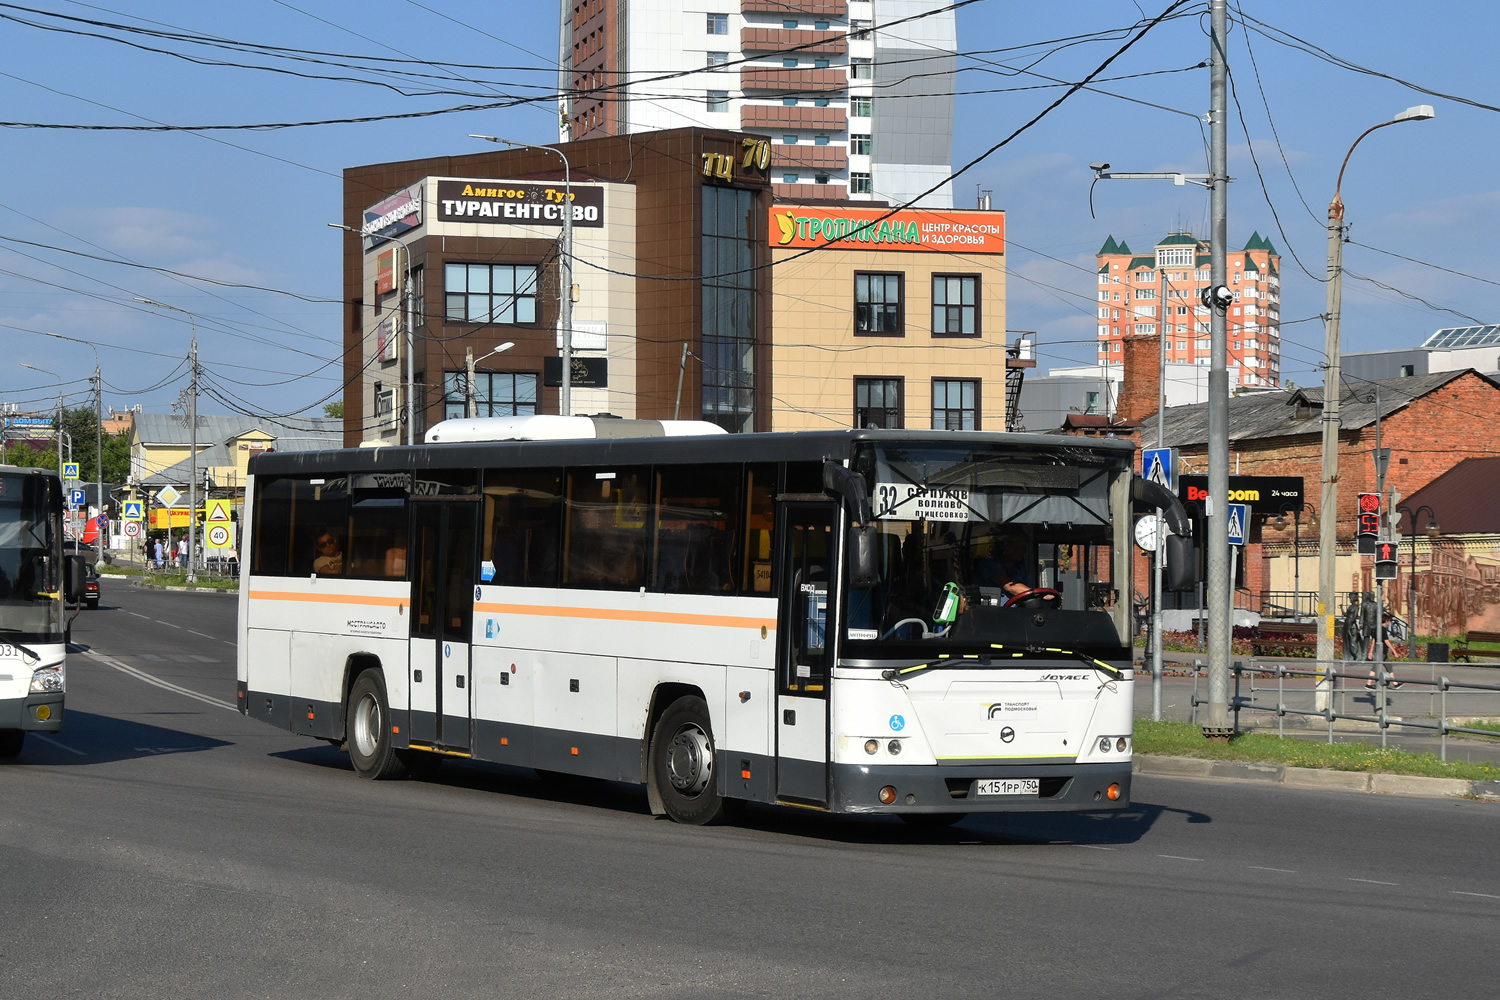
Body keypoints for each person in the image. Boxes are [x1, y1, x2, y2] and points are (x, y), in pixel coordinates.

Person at [1366, 609, 1404, 689]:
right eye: (1389, 621)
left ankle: (1395, 683)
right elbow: (1387, 642)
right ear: (1386, 621)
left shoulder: (1376, 628)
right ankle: (1368, 684)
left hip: (1383, 652)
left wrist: (1370, 652)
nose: (1389, 623)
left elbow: (1373, 641)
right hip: (1381, 651)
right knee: (1376, 667)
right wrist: (1395, 652)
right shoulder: (1382, 629)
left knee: (1389, 667)